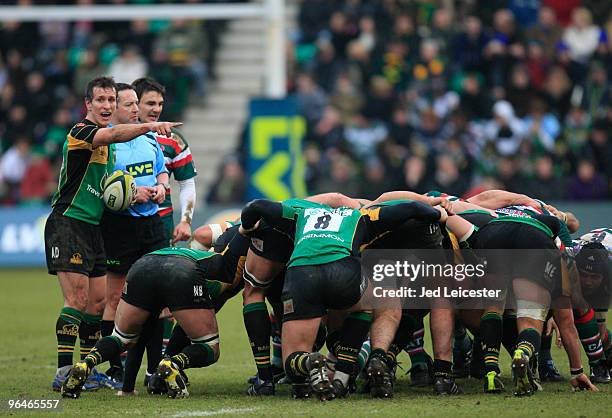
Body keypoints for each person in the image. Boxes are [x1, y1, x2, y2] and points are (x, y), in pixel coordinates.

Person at [45, 76, 180, 391]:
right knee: (77, 299)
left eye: (110, 100)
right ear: (88, 104)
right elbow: (115, 133)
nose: (106, 106)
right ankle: (64, 370)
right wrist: (149, 126)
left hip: (94, 226)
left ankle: (88, 370)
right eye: (101, 100)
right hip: (69, 221)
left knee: (97, 303)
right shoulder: (81, 133)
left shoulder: (107, 151)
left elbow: (110, 192)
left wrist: (138, 193)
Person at [240, 198, 445, 399]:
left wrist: (247, 228)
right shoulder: (360, 216)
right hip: (343, 272)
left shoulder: (301, 212)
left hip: (302, 276)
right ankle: (342, 377)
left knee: (292, 362)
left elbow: (255, 206)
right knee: (367, 305)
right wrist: (438, 214)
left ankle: (309, 362)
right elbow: (411, 208)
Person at [61, 247, 226, 399]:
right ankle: (172, 363)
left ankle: (86, 363)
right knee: (210, 346)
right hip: (181, 272)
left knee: (122, 337)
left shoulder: (223, 239)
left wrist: (127, 389)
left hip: (141, 266)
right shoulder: (231, 258)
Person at [99, 83, 170, 389]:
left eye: (133, 104)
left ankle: (155, 369)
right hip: (119, 226)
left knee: (158, 298)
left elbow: (161, 172)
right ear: (114, 109)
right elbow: (102, 189)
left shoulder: (149, 138)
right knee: (115, 297)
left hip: (152, 224)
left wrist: (161, 188)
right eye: (127, 104)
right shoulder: (106, 144)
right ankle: (114, 368)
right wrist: (128, 195)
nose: (133, 109)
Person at [132, 77, 197, 246]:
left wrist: (185, 221)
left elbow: (187, 183)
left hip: (161, 224)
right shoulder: (114, 138)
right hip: (123, 223)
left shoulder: (173, 138)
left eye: (160, 104)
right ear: (134, 104)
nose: (156, 109)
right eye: (150, 103)